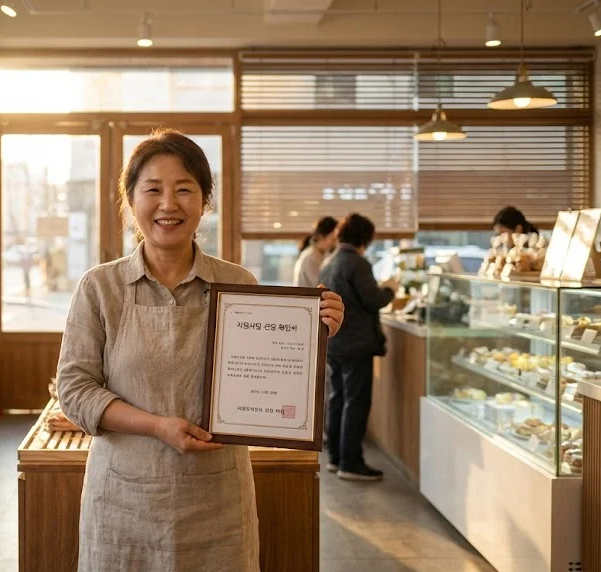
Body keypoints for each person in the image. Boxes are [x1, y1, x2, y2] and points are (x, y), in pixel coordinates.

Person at [56, 129, 345, 571]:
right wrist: (157, 426)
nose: (168, 204)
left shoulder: (239, 287)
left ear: (204, 202)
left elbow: (270, 370)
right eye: (153, 189)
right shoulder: (100, 287)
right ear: (130, 200)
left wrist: (316, 331)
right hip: (123, 501)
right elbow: (75, 390)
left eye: (184, 189)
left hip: (217, 504)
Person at [318, 213, 397, 482]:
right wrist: (390, 290)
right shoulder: (358, 263)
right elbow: (373, 299)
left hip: (334, 342)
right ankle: (351, 463)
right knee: (355, 402)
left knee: (337, 398)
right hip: (356, 344)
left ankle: (337, 459)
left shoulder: (329, 261)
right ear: (366, 237)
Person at [293, 216, 338, 287]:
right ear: (321, 237)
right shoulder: (311, 257)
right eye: (332, 239)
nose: (335, 244)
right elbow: (321, 285)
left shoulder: (316, 254)